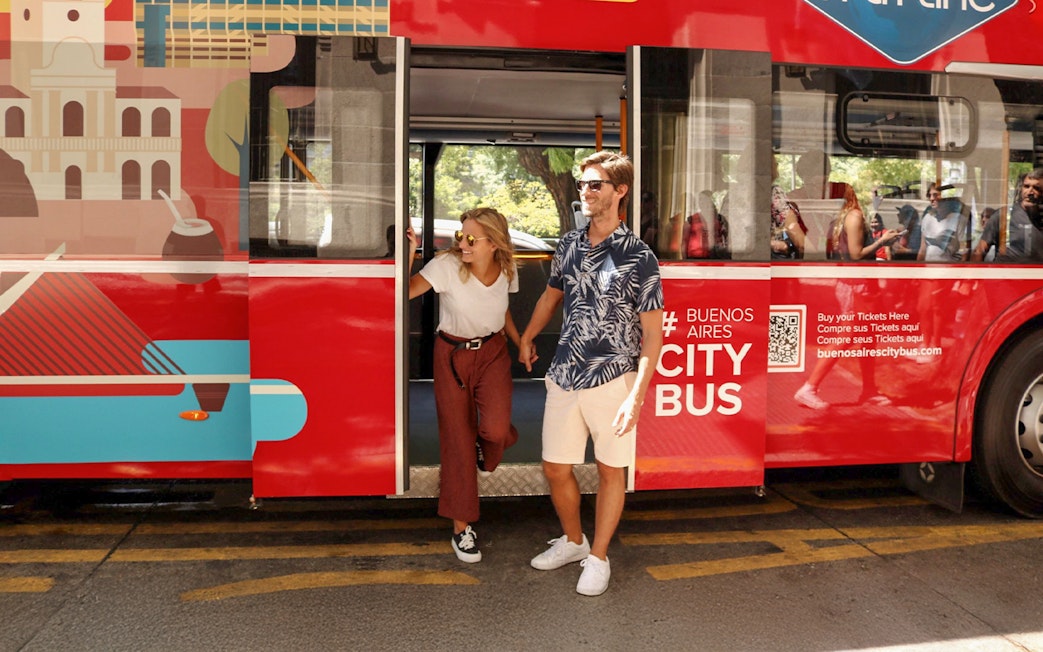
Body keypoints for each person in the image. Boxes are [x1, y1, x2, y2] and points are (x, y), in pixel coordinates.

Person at [518, 151, 664, 597]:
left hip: (613, 376)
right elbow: (551, 296)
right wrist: (527, 337)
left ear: (620, 192)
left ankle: (599, 557)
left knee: (609, 470)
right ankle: (574, 542)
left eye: (595, 184)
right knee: (555, 466)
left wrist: (635, 397)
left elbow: (652, 337)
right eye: (583, 184)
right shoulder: (569, 244)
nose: (586, 191)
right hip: (565, 372)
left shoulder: (641, 257)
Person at [406, 207, 521, 564]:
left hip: (493, 352)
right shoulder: (446, 266)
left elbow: (501, 310)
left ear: (493, 244)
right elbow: (405, 292)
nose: (462, 243)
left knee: (497, 430)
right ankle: (462, 528)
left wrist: (522, 343)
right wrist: (409, 255)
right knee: (457, 442)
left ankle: (485, 448)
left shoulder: (507, 269)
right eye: (461, 236)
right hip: (451, 356)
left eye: (471, 238)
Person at [793, 183, 901, 410]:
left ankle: (869, 389)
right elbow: (856, 254)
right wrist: (883, 241)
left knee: (868, 337)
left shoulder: (839, 220)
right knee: (847, 335)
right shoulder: (854, 216)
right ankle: (809, 388)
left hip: (854, 282)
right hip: (856, 284)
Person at [971, 169, 1043, 262]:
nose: (1030, 192)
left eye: (1036, 188)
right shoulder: (1003, 215)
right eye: (1026, 186)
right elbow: (979, 251)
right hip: (1005, 273)